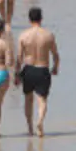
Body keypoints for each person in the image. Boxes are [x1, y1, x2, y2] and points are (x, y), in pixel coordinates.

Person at [16, 7, 59, 137]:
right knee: (42, 100)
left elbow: (19, 57)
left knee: (28, 100)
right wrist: (56, 67)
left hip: (28, 69)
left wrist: (17, 74)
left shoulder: (23, 35)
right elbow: (55, 55)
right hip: (42, 69)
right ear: (41, 18)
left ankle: (30, 128)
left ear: (29, 20)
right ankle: (40, 121)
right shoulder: (48, 35)